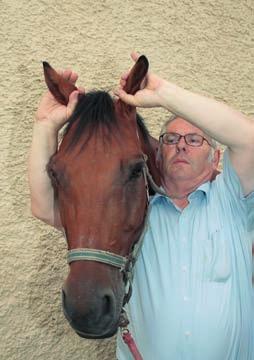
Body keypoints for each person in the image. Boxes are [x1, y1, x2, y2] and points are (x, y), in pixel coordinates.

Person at [29, 54, 254, 360]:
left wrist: (165, 95)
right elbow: (44, 207)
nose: (181, 145)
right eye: (171, 138)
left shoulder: (232, 200)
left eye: (195, 139)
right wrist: (45, 126)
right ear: (157, 153)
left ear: (216, 158)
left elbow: (249, 139)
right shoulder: (134, 212)